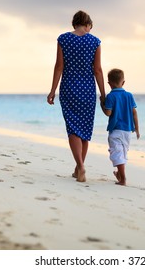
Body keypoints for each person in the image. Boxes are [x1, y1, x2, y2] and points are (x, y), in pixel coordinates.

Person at [47, 10, 105, 182]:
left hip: (69, 88)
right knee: (85, 129)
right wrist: (103, 94)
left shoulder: (63, 39)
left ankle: (79, 167)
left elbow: (59, 67)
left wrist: (52, 90)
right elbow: (98, 70)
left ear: (74, 24)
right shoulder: (94, 41)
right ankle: (80, 166)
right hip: (88, 90)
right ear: (88, 25)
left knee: (73, 127)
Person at [101, 68, 140, 186]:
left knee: (117, 153)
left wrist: (102, 103)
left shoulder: (111, 96)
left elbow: (108, 113)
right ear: (123, 82)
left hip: (116, 130)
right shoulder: (129, 95)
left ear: (109, 83)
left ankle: (123, 179)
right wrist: (137, 129)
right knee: (122, 153)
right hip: (128, 130)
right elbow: (134, 113)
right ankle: (119, 174)